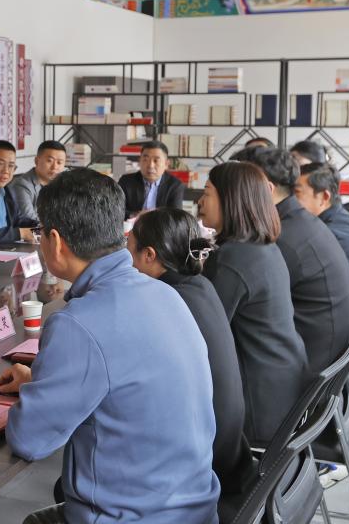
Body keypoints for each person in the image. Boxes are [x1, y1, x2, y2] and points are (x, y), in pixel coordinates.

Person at [0, 169, 219, 524]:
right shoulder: (166, 293)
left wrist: (37, 393)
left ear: (55, 241)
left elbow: (29, 440)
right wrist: (40, 383)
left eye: (40, 233)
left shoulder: (77, 323)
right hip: (194, 510)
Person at [128, 208, 252, 494]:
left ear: (149, 255)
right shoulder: (200, 285)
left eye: (129, 249)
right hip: (231, 449)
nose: (126, 259)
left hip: (203, 465)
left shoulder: (165, 300)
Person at [198, 161, 309, 446]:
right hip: (283, 387)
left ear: (230, 200)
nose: (200, 201)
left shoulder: (232, 259)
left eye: (207, 192)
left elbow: (200, 334)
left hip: (257, 408)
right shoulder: (261, 246)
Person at [231, 146, 349, 373]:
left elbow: (238, 300)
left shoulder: (281, 238)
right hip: (324, 352)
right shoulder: (298, 220)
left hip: (305, 365)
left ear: (265, 188)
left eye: (243, 184)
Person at [296, 162, 349, 335]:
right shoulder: (340, 220)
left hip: (346, 331)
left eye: (297, 193)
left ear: (324, 197)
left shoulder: (329, 235)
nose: (290, 201)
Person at [118, 141, 185, 220]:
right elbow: (116, 210)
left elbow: (176, 216)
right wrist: (135, 215)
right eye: (145, 160)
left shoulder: (175, 185)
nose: (150, 165)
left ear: (166, 164)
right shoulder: (126, 181)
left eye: (156, 161)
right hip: (132, 225)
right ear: (139, 161)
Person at [10, 140, 67, 225]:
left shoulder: (63, 183)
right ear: (36, 161)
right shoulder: (22, 185)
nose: (55, 167)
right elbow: (29, 219)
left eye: (59, 162)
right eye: (49, 161)